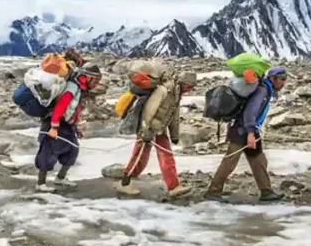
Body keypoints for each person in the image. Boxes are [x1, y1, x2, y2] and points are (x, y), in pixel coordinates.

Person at [206, 66, 288, 203]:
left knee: (259, 160)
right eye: (281, 79)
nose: (283, 83)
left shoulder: (265, 90)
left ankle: (266, 191)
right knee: (230, 162)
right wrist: (250, 132)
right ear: (272, 79)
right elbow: (250, 112)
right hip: (243, 130)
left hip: (249, 130)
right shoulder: (262, 90)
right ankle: (213, 192)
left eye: (285, 80)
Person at [118, 71, 198, 198]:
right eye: (188, 86)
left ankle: (173, 186)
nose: (188, 89)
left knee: (162, 156)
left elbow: (174, 116)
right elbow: (149, 110)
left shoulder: (176, 94)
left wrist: (174, 135)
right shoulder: (163, 90)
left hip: (159, 128)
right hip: (150, 128)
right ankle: (124, 183)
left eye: (191, 87)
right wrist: (145, 130)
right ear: (181, 82)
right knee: (140, 155)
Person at [35, 64, 103, 192]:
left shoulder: (79, 88)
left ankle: (60, 178)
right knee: (49, 152)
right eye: (96, 81)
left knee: (72, 149)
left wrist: (77, 126)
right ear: (88, 77)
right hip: (54, 122)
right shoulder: (72, 87)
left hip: (66, 123)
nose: (96, 84)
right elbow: (60, 106)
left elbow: (73, 109)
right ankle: (40, 183)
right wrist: (54, 127)